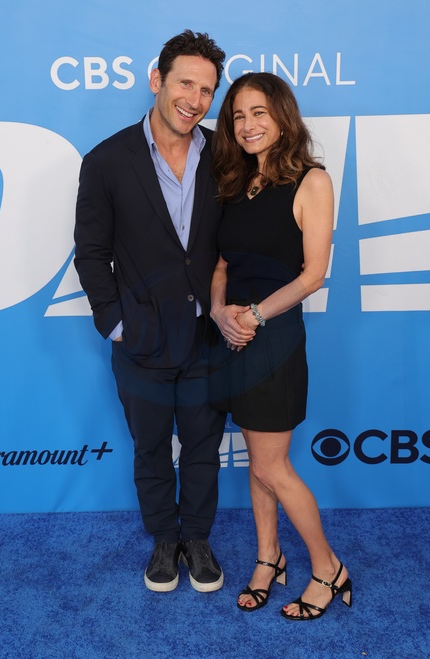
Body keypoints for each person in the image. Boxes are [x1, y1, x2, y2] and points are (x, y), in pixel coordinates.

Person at [74, 30, 227, 594]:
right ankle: (165, 538)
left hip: (208, 335)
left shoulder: (225, 155)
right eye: (186, 83)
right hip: (141, 336)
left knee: (204, 447)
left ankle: (198, 538)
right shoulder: (107, 160)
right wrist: (116, 324)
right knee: (151, 446)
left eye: (207, 90)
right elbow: (91, 252)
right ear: (157, 80)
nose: (195, 99)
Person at [209, 72, 352, 619]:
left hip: (273, 339)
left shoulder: (312, 181)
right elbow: (222, 263)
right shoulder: (236, 181)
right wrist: (220, 311)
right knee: (258, 460)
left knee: (272, 466)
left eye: (259, 113)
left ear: (283, 117)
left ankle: (328, 567)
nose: (247, 125)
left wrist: (253, 316)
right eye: (238, 116)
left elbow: (313, 274)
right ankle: (269, 557)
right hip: (231, 335)